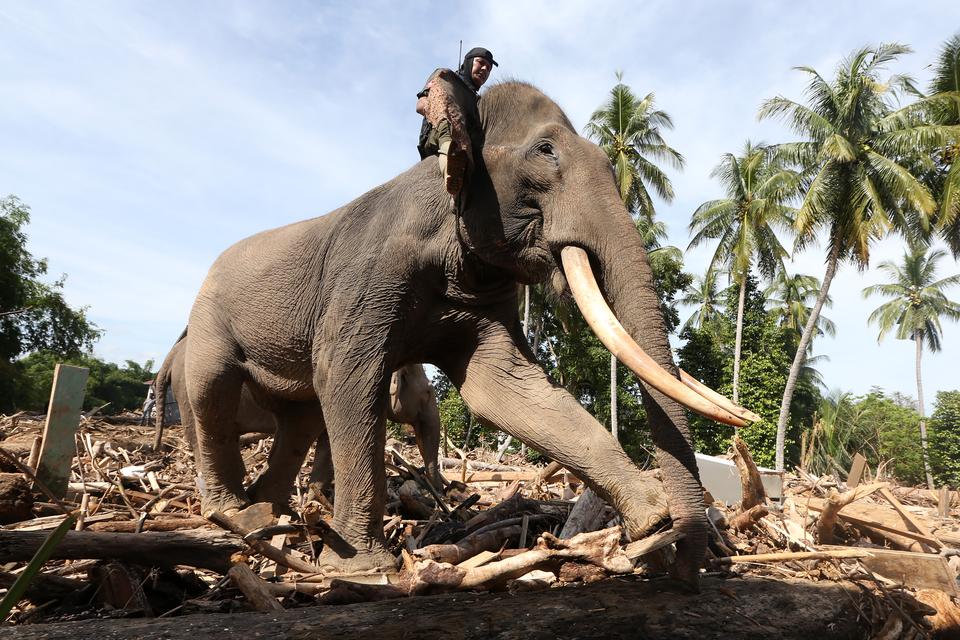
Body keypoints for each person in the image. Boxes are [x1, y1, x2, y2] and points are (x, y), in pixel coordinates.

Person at [416, 47, 498, 193]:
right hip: (440, 133)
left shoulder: (478, 103)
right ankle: (451, 163)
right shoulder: (446, 77)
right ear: (468, 63)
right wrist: (444, 115)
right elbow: (421, 105)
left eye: (489, 68)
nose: (485, 69)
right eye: (480, 62)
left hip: (469, 143)